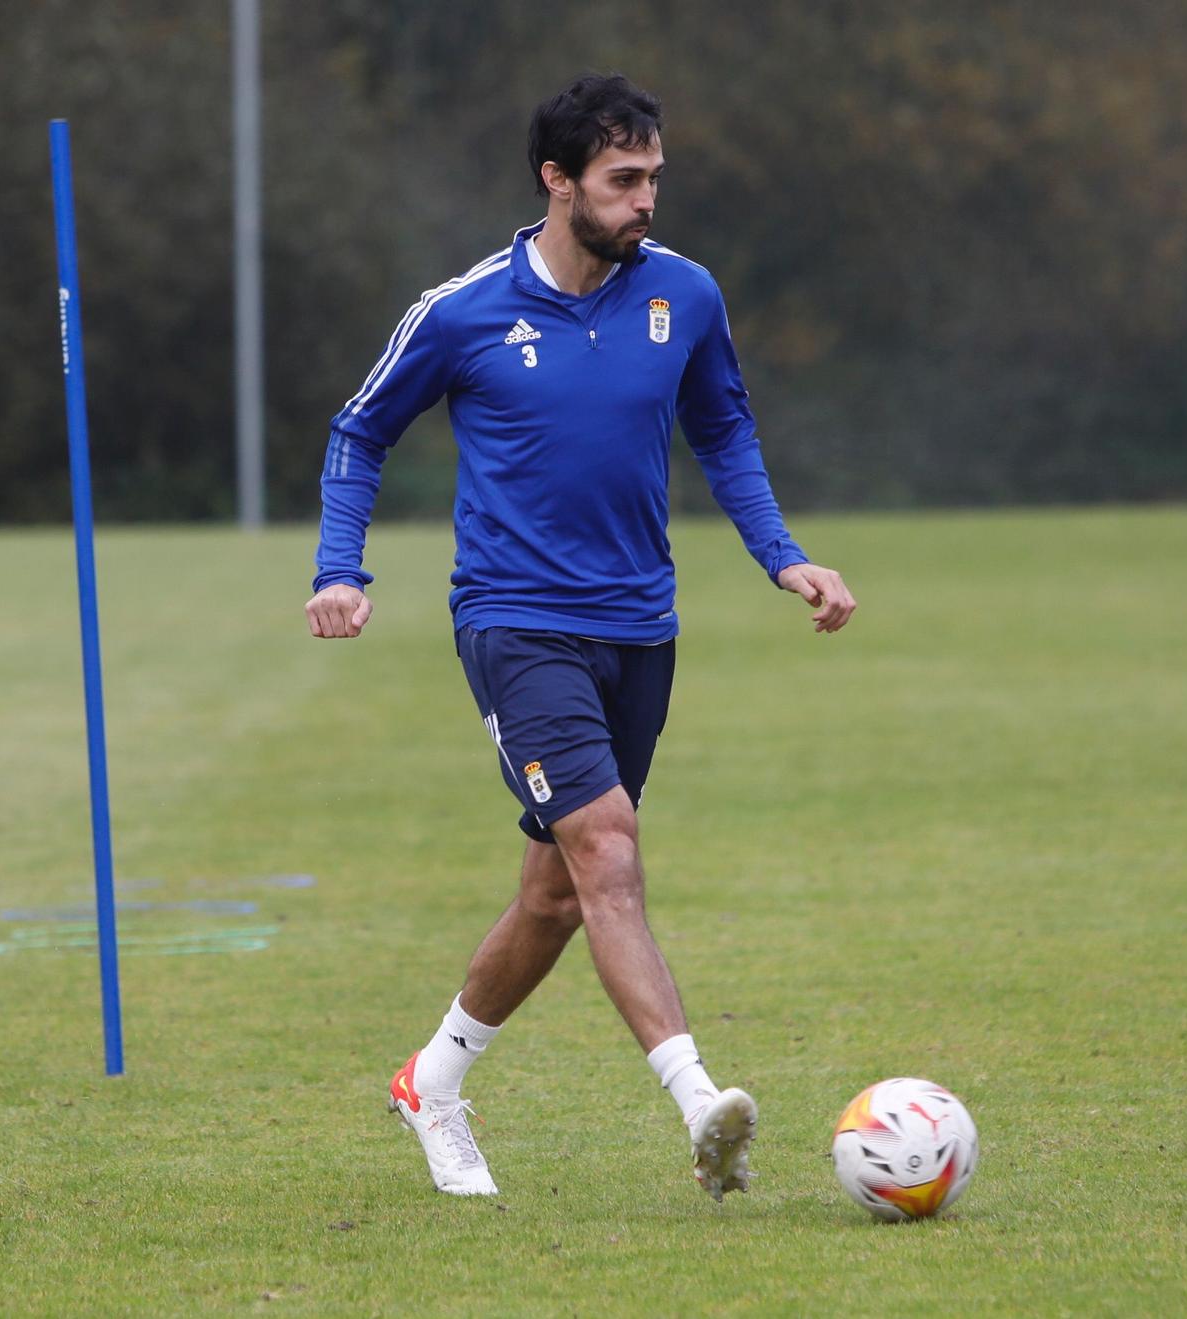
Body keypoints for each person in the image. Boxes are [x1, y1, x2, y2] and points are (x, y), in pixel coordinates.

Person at [307, 72, 856, 1200]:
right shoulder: (460, 309)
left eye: (653, 175)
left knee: (556, 894)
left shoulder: (685, 297)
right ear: (558, 183)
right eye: (623, 179)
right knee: (604, 849)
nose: (646, 197)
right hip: (514, 623)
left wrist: (781, 553)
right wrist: (338, 569)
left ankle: (433, 1080)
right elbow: (359, 433)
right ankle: (703, 1103)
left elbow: (724, 430)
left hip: (639, 630)